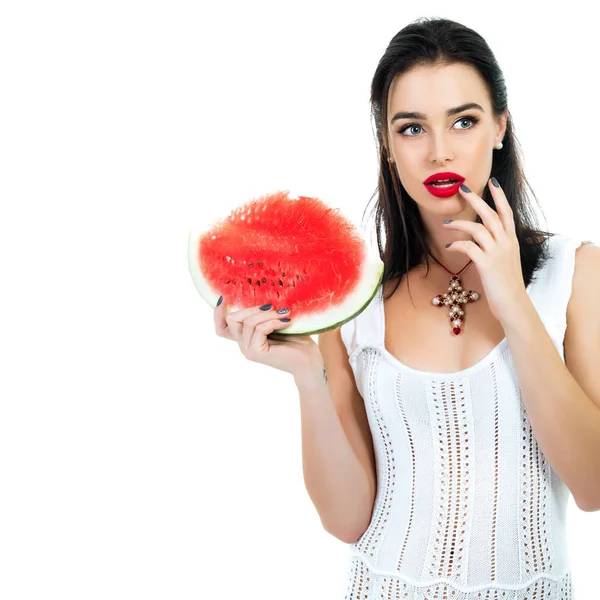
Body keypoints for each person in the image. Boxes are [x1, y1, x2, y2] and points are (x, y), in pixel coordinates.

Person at [214, 16, 600, 600]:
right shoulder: (358, 303)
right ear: (389, 148)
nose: (439, 151)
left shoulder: (576, 272)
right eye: (412, 128)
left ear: (500, 126)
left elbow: (593, 483)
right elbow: (347, 519)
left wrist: (513, 303)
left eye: (464, 121)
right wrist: (308, 379)